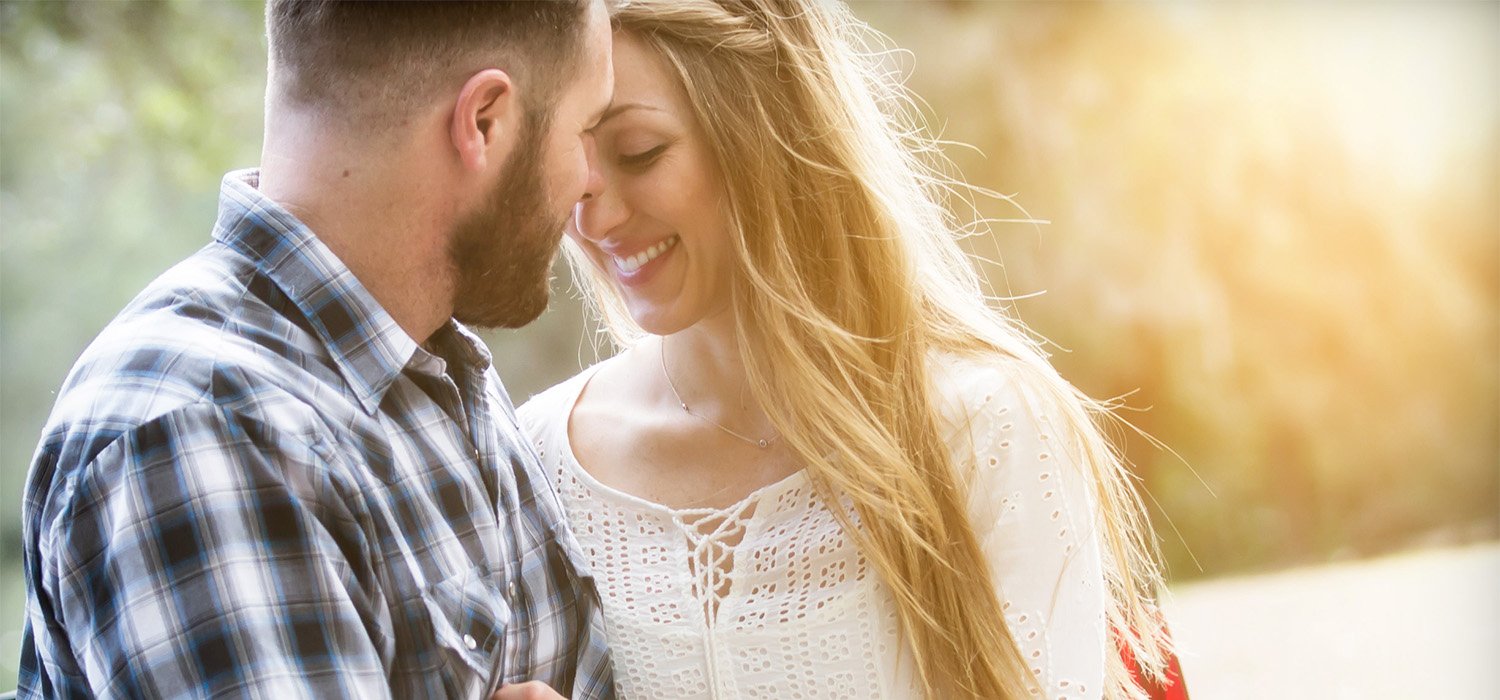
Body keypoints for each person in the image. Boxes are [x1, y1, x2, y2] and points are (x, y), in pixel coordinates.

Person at [518, 0, 1180, 698]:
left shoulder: (982, 427)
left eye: (640, 153)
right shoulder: (536, 463)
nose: (597, 218)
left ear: (767, 128)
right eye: (569, 165)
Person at [18, 1, 616, 698]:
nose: (591, 180)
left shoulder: (431, 366)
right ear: (484, 120)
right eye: (587, 129)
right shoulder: (203, 432)